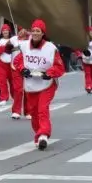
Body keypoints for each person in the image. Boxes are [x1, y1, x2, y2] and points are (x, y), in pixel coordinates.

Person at [13, 19, 65, 150]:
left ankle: (43, 134)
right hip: (31, 83)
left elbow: (60, 67)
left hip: (46, 83)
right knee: (34, 112)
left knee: (42, 109)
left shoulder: (51, 48)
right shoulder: (24, 46)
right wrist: (22, 69)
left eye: (38, 31)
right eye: (34, 30)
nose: (35, 33)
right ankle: (39, 133)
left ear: (43, 33)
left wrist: (50, 73)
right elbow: (17, 61)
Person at [0, 24, 17, 108]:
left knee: (14, 82)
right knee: (1, 82)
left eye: (6, 30)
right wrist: (4, 48)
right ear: (1, 32)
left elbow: (17, 50)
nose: (5, 32)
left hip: (12, 64)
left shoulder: (14, 40)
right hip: (1, 64)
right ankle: (3, 98)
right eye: (3, 30)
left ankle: (16, 97)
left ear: (9, 31)